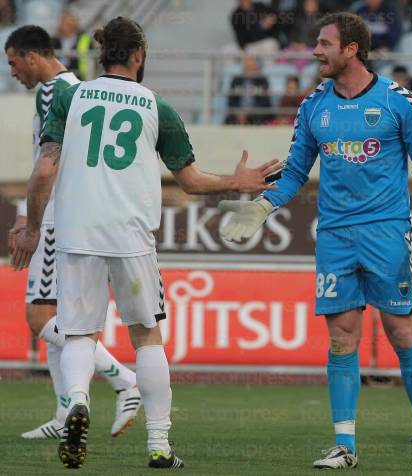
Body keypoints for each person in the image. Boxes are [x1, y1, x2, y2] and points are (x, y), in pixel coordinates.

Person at [10, 16, 280, 470]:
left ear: (102, 54)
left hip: (78, 234)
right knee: (147, 338)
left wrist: (33, 226)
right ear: (138, 56)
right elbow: (191, 182)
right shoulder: (158, 106)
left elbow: (43, 171)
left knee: (78, 332)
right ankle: (158, 445)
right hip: (131, 235)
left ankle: (77, 402)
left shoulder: (71, 98)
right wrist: (236, 181)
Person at [218, 11, 412, 470]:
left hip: (386, 233)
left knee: (402, 333)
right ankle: (345, 446)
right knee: (342, 340)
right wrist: (264, 206)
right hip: (336, 237)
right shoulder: (313, 105)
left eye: (324, 43)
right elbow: (297, 171)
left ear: (351, 49)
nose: (315, 51)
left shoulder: (399, 101)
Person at [5, 24, 142, 442]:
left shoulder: (53, 93)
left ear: (32, 56)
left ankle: (125, 381)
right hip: (67, 214)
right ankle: (64, 414)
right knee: (59, 315)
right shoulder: (75, 88)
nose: (12, 72)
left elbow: (50, 162)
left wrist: (33, 217)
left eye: (13, 63)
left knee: (40, 315)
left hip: (55, 216)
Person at [225, 56, 272, 125]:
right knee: (228, 120)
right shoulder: (236, 80)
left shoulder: (262, 81)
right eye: (247, 68)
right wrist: (238, 112)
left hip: (255, 112)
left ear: (256, 68)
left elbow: (264, 102)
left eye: (252, 68)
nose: (250, 70)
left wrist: (248, 113)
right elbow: (231, 101)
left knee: (258, 118)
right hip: (238, 113)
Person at [52, 11, 94, 80]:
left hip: (79, 76)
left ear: (73, 25)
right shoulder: (55, 40)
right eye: (61, 22)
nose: (60, 25)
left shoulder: (84, 39)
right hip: (58, 75)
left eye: (64, 23)